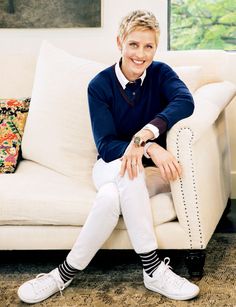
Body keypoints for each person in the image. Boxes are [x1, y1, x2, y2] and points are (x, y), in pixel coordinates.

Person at [17, 10, 200, 304]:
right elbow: (105, 145)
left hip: (149, 175)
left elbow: (185, 101)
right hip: (108, 165)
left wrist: (146, 134)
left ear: (155, 48)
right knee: (129, 170)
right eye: (134, 45)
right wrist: (150, 147)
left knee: (109, 198)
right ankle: (152, 269)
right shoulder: (99, 86)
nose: (140, 54)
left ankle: (62, 274)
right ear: (120, 42)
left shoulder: (161, 73)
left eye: (148, 46)